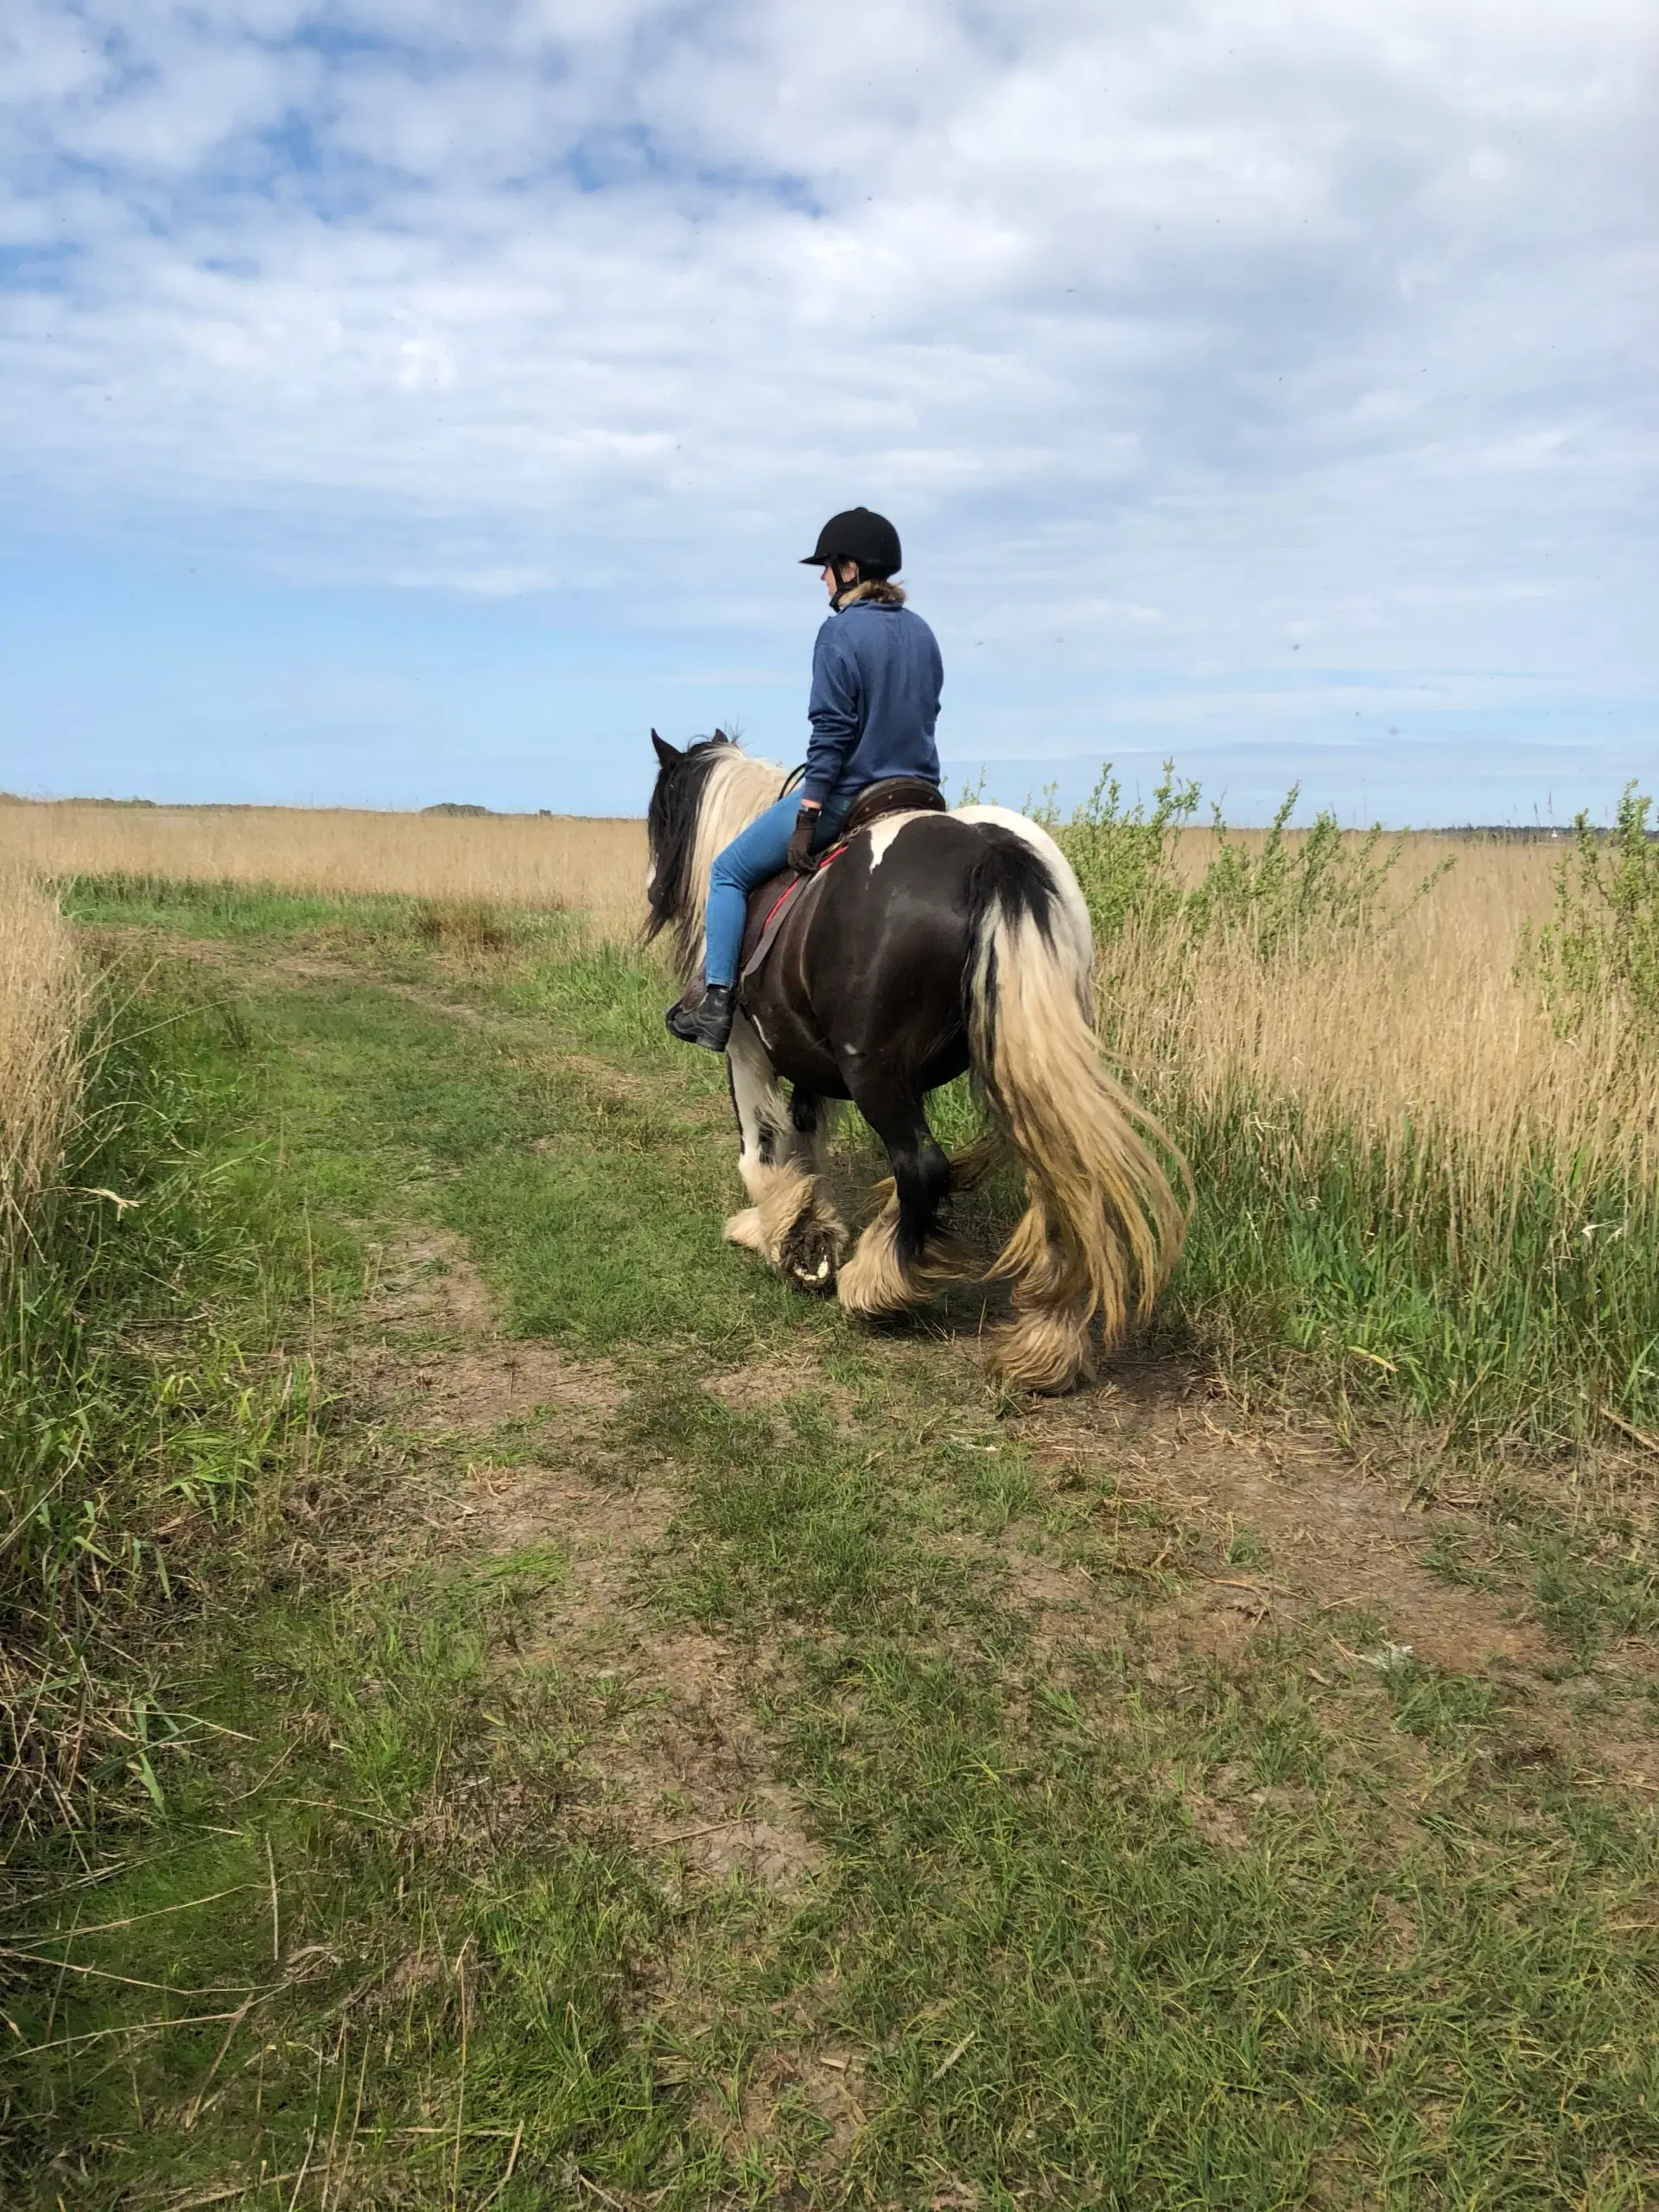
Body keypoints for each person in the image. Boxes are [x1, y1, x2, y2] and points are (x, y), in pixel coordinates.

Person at [668, 507, 944, 1052]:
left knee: (727, 871)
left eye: (826, 567)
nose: (822, 578)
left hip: (853, 797)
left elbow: (832, 735)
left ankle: (717, 1005)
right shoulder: (923, 633)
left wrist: (808, 813)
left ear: (849, 568)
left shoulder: (839, 633)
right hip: (923, 797)